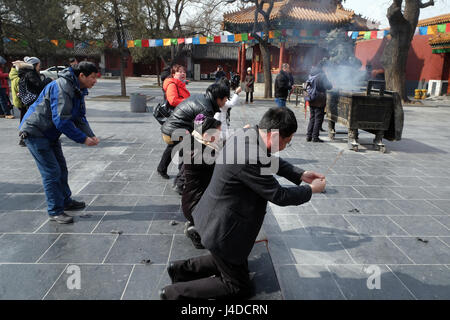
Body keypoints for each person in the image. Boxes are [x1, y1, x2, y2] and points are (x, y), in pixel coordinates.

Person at [160, 107, 327, 300]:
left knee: (232, 261)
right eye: (286, 142)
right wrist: (311, 189)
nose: (283, 147)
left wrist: (300, 174)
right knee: (237, 287)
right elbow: (279, 195)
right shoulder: (250, 155)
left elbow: (269, 161)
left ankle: (179, 270)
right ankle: (173, 294)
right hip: (223, 228)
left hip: (215, 216)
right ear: (274, 135)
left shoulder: (248, 134)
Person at [19, 62, 100, 224]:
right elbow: (62, 121)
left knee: (61, 168)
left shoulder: (78, 89)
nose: (95, 81)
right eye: (92, 77)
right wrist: (82, 139)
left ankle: (65, 201)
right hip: (35, 132)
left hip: (50, 133)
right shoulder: (63, 87)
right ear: (81, 76)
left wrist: (90, 135)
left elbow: (79, 117)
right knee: (52, 172)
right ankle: (55, 211)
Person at [159, 82, 230, 195]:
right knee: (194, 151)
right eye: (225, 100)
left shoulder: (203, 98)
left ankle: (167, 171)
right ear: (218, 98)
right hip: (175, 130)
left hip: (170, 129)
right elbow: (202, 133)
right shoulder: (206, 109)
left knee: (187, 149)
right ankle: (180, 183)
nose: (225, 102)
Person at [182, 114, 222, 249]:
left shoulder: (197, 144)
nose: (219, 137)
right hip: (196, 205)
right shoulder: (201, 154)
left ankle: (196, 224)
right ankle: (196, 230)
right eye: (217, 133)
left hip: (192, 200)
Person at [157, 65, 191, 182]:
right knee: (177, 144)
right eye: (179, 72)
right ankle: (180, 171)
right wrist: (188, 102)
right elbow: (172, 100)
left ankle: (165, 168)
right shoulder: (172, 84)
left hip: (182, 119)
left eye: (183, 71)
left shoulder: (181, 85)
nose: (182, 73)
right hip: (176, 120)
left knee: (176, 145)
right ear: (173, 74)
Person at [305, 62, 332, 143]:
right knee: (318, 119)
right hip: (319, 99)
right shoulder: (322, 75)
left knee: (312, 118)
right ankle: (315, 137)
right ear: (323, 67)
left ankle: (309, 136)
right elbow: (329, 86)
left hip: (311, 98)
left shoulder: (311, 74)